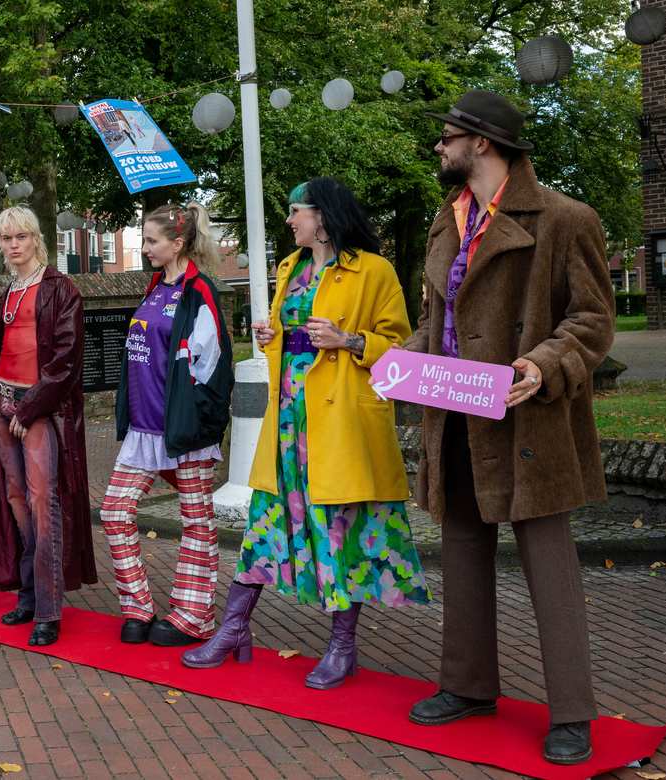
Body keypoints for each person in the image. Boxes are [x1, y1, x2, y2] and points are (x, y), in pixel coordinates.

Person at [403, 90, 613, 766]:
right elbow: (438, 322)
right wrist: (396, 363)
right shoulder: (446, 222)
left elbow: (592, 322)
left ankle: (572, 713)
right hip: (456, 414)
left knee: (549, 563)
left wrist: (544, 361)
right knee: (462, 547)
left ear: (482, 142)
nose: (439, 148)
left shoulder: (565, 218)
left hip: (529, 417)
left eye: (446, 138)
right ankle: (467, 686)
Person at [182, 178, 430, 687]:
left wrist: (349, 340)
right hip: (288, 418)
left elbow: (401, 346)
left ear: (324, 216)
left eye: (298, 212)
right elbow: (283, 342)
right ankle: (233, 629)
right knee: (266, 521)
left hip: (339, 423)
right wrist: (270, 337)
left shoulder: (373, 271)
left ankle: (343, 647)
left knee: (337, 527)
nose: (291, 221)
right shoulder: (289, 268)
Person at [101, 204, 234, 646]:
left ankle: (192, 615)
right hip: (143, 426)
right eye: (143, 240)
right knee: (116, 511)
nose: (145, 248)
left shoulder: (201, 292)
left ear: (177, 243)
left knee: (196, 519)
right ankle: (137, 606)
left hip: (181, 429)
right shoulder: (155, 286)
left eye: (152, 240)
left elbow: (211, 366)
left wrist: (196, 421)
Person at [0, 206, 96, 647]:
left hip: (38, 408)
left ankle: (48, 608)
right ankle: (27, 593)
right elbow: (1, 352)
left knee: (43, 503)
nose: (12, 246)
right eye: (6, 239)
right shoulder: (10, 289)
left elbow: (65, 363)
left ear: (35, 238)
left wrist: (29, 411)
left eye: (20, 237)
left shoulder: (60, 288)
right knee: (16, 499)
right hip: (2, 401)